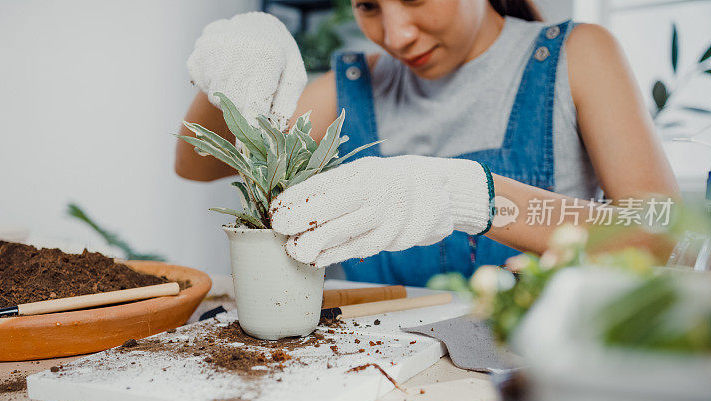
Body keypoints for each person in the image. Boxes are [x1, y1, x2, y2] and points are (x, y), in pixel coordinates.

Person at [176, 1, 680, 286]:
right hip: (373, 379)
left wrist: (471, 196)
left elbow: (660, 230)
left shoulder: (580, 55)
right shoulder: (349, 89)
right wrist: (227, 69)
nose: (396, 34)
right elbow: (194, 165)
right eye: (369, 6)